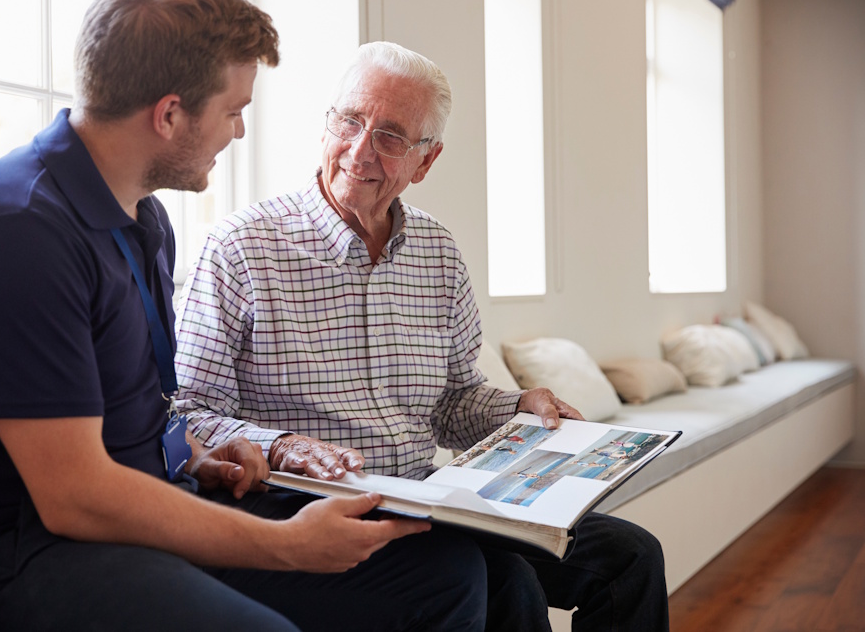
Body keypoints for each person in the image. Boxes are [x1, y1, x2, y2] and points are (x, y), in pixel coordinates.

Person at [0, 0, 489, 632]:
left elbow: (143, 407)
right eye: (234, 111)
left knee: (442, 577)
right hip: (19, 551)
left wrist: (193, 455)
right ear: (171, 114)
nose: (239, 133)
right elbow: (74, 498)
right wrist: (288, 546)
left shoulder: (143, 221)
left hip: (138, 507)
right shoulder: (14, 228)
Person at [175, 41, 671, 631]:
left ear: (425, 162)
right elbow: (190, 414)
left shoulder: (438, 254)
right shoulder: (239, 247)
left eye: (390, 136)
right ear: (327, 123)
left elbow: (454, 402)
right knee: (506, 581)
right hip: (307, 505)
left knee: (631, 558)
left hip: (432, 497)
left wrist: (520, 406)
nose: (360, 151)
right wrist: (284, 444)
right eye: (350, 121)